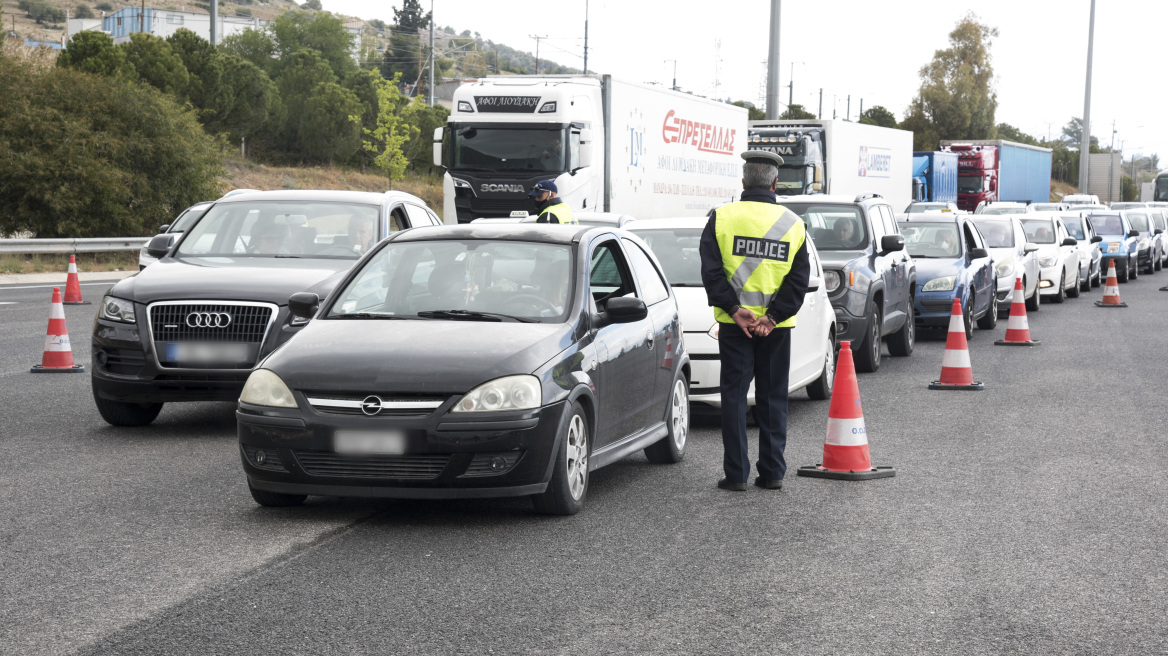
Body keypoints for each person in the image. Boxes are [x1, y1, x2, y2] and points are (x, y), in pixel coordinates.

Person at [699, 150, 810, 492]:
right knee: (773, 398)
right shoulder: (794, 223)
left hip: (735, 326)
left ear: (743, 182)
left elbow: (711, 273)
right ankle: (773, 472)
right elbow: (798, 280)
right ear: (776, 183)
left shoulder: (721, 218)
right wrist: (773, 318)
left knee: (733, 398)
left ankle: (736, 475)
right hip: (776, 331)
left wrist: (735, 310)